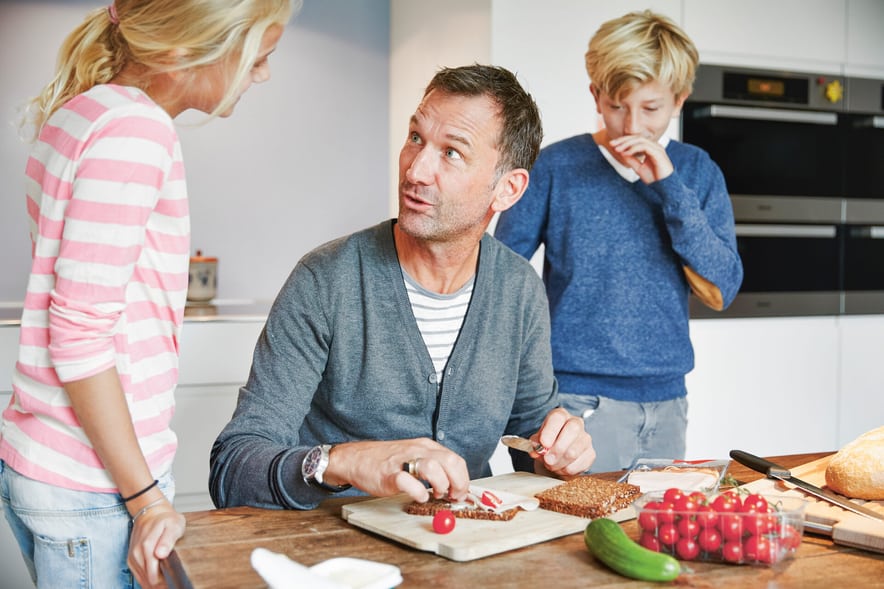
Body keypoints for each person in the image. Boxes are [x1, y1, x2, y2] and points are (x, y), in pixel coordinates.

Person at [0, 1, 297, 587]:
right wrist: (146, 500)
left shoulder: (81, 112)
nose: (262, 74)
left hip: (50, 462)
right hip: (96, 483)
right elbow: (80, 334)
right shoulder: (135, 132)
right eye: (257, 58)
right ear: (186, 49)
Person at [209, 64, 596, 511]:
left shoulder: (519, 290)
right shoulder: (325, 279)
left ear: (507, 189)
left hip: (462, 552)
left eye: (451, 152)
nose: (416, 171)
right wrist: (340, 462)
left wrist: (559, 454)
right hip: (335, 561)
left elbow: (532, 447)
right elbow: (232, 467)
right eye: (416, 138)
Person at [494, 10, 743, 473]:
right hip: (571, 401)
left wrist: (667, 185)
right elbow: (499, 275)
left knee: (643, 537)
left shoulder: (697, 172)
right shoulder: (555, 167)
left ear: (679, 101)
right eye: (616, 106)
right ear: (595, 95)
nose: (631, 126)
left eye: (650, 109)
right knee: (562, 537)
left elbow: (722, 287)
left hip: (667, 402)